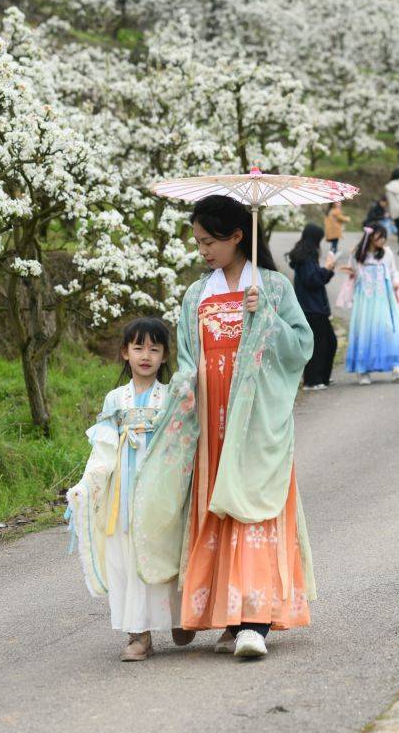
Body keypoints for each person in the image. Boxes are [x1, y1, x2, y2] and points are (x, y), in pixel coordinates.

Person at [131, 195, 316, 660]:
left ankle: (254, 622)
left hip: (254, 420)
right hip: (210, 420)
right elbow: (190, 357)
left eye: (210, 241)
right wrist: (186, 388)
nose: (203, 251)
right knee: (215, 509)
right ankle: (226, 618)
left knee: (252, 507)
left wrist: (267, 318)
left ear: (238, 236)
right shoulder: (198, 294)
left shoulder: (272, 288)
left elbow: (302, 348)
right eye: (197, 243)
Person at [64, 318, 195, 661]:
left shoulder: (170, 397)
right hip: (124, 493)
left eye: (154, 348)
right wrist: (88, 485)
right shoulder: (115, 400)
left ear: (165, 355)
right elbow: (104, 447)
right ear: (125, 352)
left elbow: (181, 443)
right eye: (138, 348)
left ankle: (181, 619)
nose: (146, 355)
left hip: (161, 493)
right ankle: (139, 635)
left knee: (167, 551)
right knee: (127, 559)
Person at [337, 225, 399, 385]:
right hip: (365, 301)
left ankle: (395, 367)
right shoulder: (357, 254)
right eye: (379, 237)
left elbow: (393, 271)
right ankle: (363, 370)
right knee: (365, 332)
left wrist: (396, 282)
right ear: (369, 237)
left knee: (389, 330)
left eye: (384, 237)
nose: (382, 240)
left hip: (384, 299)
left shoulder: (387, 253)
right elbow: (353, 273)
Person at [287, 223, 338, 391]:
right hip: (312, 308)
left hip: (314, 308)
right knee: (320, 345)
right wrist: (328, 269)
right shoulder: (306, 258)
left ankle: (322, 377)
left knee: (329, 342)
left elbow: (314, 278)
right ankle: (312, 381)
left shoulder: (305, 256)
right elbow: (313, 280)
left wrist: (327, 271)